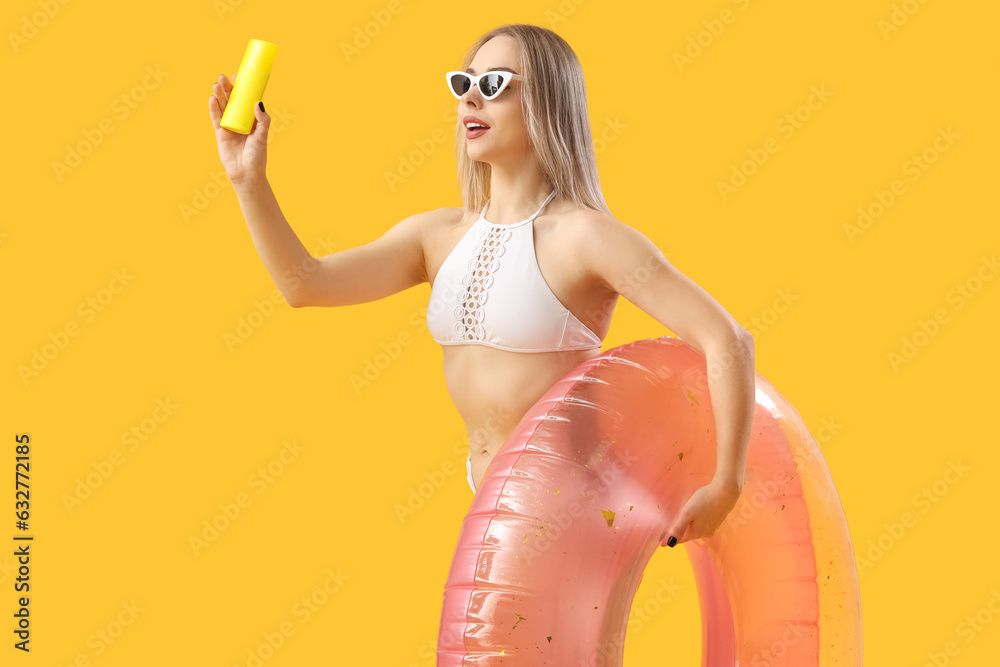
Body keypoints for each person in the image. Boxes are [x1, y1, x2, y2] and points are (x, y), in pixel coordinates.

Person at [208, 24, 756, 548]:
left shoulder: (585, 238)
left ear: (545, 103)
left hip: (571, 505)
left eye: (493, 86)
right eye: (463, 83)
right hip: (490, 498)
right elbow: (307, 285)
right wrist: (247, 180)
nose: (470, 100)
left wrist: (725, 484)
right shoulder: (436, 236)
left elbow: (726, 339)